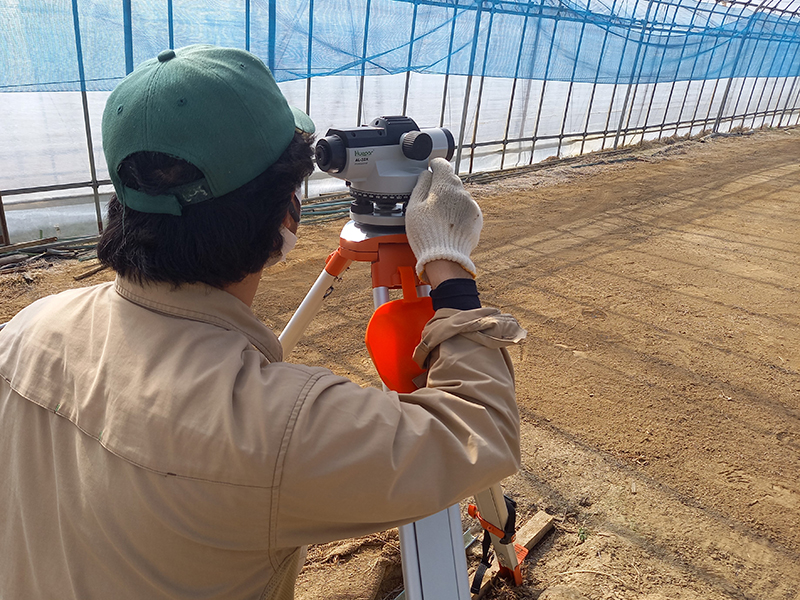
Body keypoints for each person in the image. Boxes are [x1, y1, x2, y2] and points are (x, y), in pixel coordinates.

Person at [0, 45, 525, 600]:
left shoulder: (26, 329)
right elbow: (480, 430)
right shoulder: (273, 427)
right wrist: (448, 264)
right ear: (284, 214)